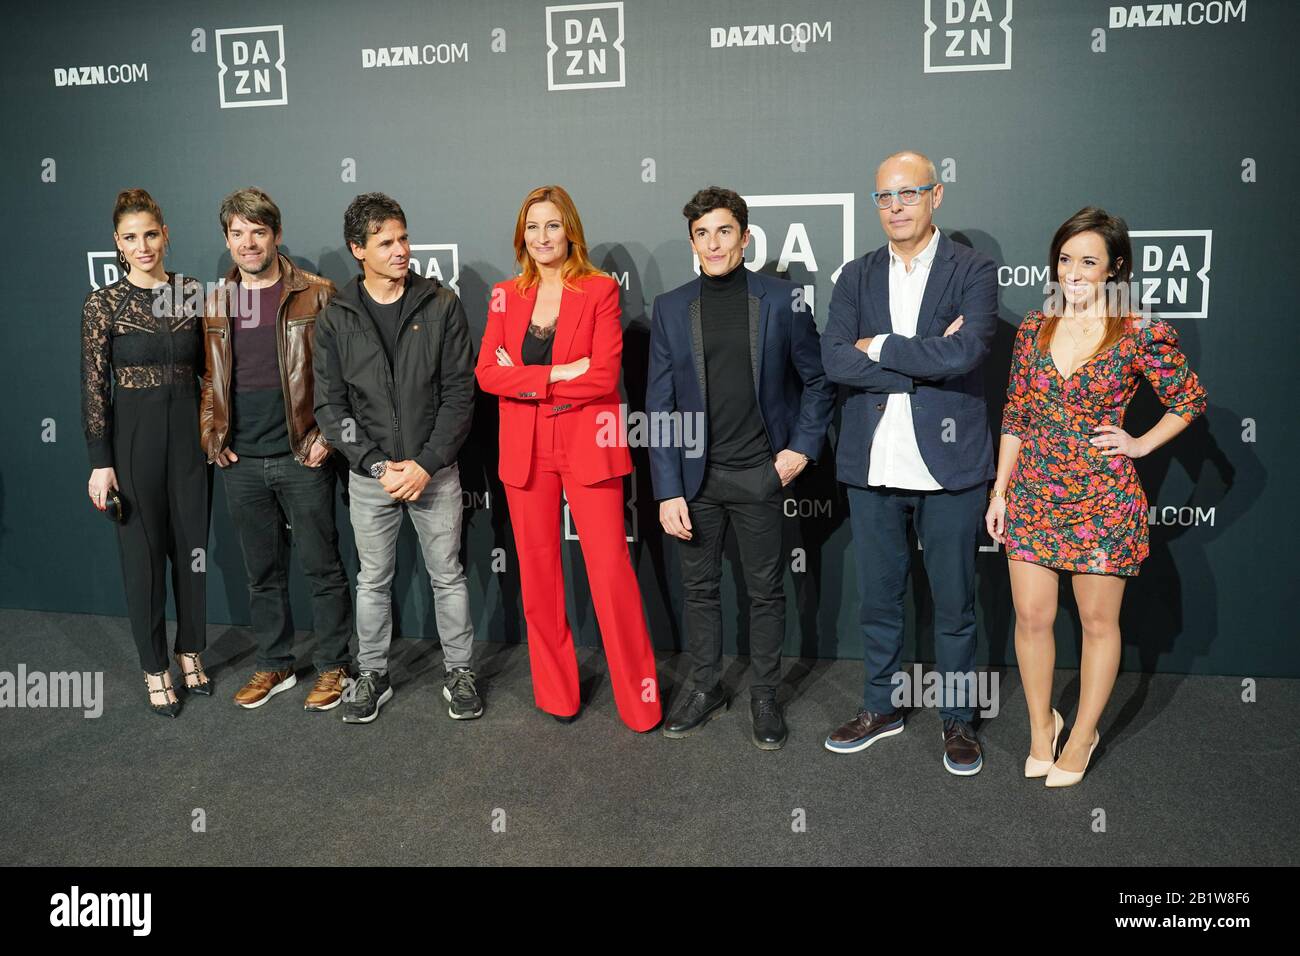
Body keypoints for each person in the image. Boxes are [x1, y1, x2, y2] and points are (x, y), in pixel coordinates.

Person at [987, 206, 1206, 787]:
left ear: (1114, 269)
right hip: (1033, 491)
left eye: (1089, 260)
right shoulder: (1034, 327)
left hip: (1103, 499)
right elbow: (1015, 414)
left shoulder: (1138, 329)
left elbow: (1187, 399)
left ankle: (1083, 734)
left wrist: (1138, 443)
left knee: (1096, 621)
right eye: (1065, 259)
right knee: (1032, 617)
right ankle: (1041, 727)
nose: (1074, 271)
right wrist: (1000, 489)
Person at [820, 151, 997, 774]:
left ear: (935, 196)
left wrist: (884, 348)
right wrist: (925, 356)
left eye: (908, 194)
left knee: (954, 603)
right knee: (879, 599)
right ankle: (881, 706)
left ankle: (957, 720)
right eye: (884, 197)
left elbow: (967, 352)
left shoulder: (972, 269)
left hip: (949, 467)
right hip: (872, 465)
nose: (895, 207)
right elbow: (836, 361)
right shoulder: (855, 276)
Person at [647, 186, 834, 750]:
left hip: (761, 473)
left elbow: (817, 380)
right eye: (702, 234)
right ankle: (706, 688)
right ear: (692, 242)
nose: (713, 243)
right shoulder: (671, 307)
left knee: (765, 592)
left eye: (724, 231)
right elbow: (659, 405)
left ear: (745, 237)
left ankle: (763, 693)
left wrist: (798, 452)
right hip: (695, 480)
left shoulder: (782, 298)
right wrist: (667, 489)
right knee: (699, 591)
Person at [476, 185, 661, 732]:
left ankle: (639, 699)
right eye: (532, 227)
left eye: (552, 225)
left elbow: (603, 377)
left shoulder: (599, 289)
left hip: (589, 444)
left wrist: (524, 379)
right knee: (537, 578)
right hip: (525, 450)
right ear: (521, 235)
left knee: (611, 575)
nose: (541, 237)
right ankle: (557, 694)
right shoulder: (505, 295)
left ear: (570, 230)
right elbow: (487, 373)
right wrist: (558, 374)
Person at [313, 192, 481, 724]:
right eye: (386, 242)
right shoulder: (336, 317)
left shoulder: (442, 303)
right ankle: (373, 675)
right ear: (357, 249)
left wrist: (426, 464)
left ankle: (460, 672)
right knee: (372, 581)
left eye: (404, 238)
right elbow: (330, 407)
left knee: (448, 577)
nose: (401, 249)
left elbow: (460, 395)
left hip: (435, 472)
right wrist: (377, 465)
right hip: (371, 478)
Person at [200, 187, 354, 712]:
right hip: (241, 459)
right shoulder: (216, 300)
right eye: (238, 234)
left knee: (322, 566)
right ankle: (275, 663)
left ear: (276, 235)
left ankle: (335, 665)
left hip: (301, 454)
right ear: (227, 239)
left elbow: (342, 376)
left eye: (258, 232)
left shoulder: (318, 293)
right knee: (261, 572)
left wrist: (328, 438)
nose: (248, 243)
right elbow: (209, 379)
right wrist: (211, 435)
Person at [81, 188, 209, 717]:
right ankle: (155, 665)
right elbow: (93, 386)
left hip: (188, 435)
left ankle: (190, 649)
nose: (143, 246)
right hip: (133, 437)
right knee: (143, 556)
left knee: (192, 547)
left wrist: (215, 434)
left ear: (166, 234)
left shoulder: (192, 292)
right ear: (117, 242)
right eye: (131, 238)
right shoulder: (102, 305)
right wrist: (99, 461)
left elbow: (210, 372)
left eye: (151, 234)